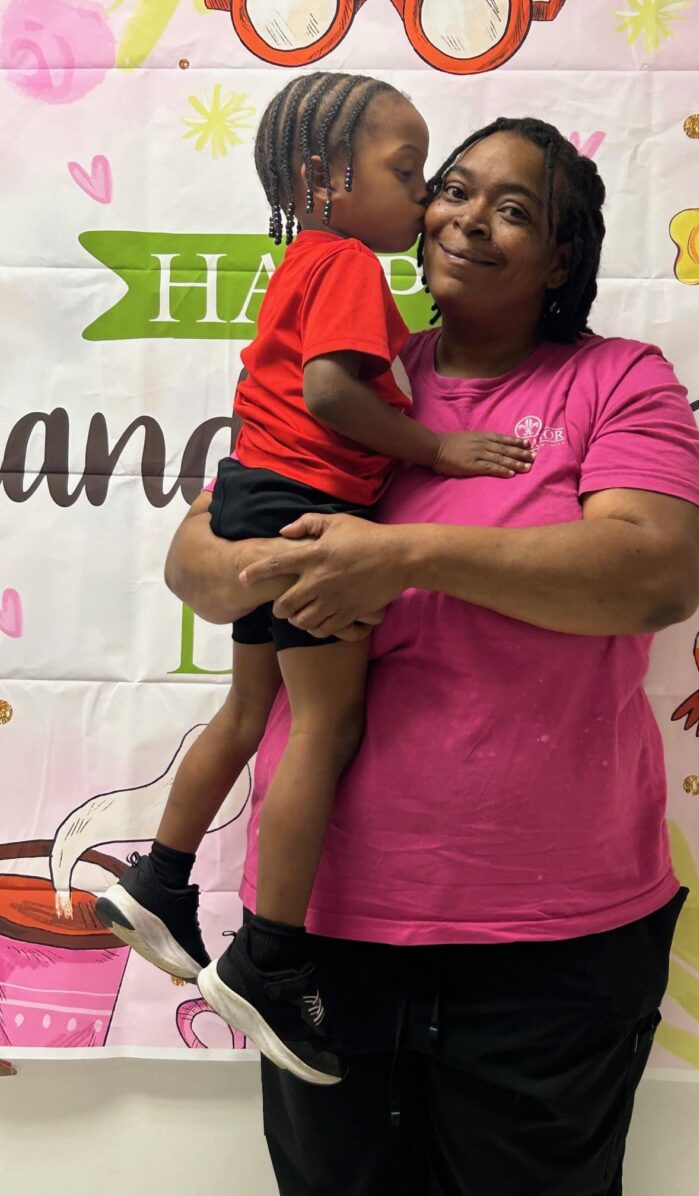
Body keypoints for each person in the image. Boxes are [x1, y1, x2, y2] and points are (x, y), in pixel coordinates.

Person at [164, 114, 699, 1194]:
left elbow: (656, 571)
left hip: (553, 946)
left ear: (562, 258)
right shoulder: (355, 380)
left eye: (515, 208)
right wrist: (260, 568)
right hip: (316, 934)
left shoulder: (616, 381)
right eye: (452, 189)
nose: (467, 217)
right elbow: (196, 553)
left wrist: (404, 552)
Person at [96, 71, 534, 1086]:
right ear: (319, 175)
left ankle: (159, 881)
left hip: (254, 490)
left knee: (251, 711)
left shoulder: (304, 255)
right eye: (410, 172)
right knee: (324, 726)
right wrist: (435, 447)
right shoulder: (347, 266)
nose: (427, 200)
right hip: (304, 504)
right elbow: (333, 389)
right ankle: (271, 953)